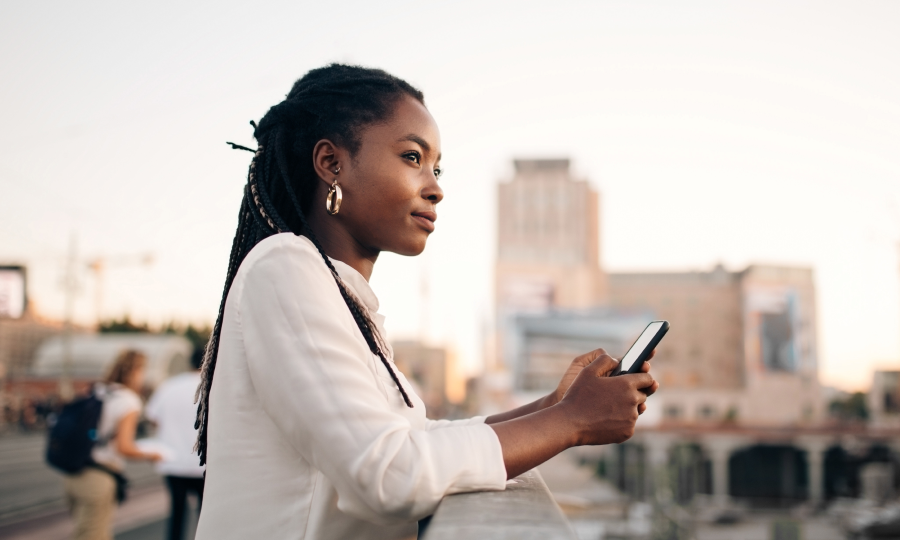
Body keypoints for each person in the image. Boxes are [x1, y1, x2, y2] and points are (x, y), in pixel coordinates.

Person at [194, 64, 659, 539]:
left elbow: (414, 441)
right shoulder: (285, 266)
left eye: (436, 168)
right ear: (332, 164)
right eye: (412, 157)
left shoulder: (342, 297)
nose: (435, 187)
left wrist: (553, 405)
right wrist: (571, 421)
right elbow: (391, 473)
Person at [63, 350, 161, 540]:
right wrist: (153, 455)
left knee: (82, 532)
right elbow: (123, 447)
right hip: (98, 477)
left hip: (73, 475)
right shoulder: (128, 400)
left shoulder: (96, 390)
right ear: (135, 371)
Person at [146, 347, 206, 540]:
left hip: (172, 460)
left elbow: (153, 417)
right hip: (202, 464)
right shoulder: (211, 386)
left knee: (177, 513)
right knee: (205, 516)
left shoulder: (170, 385)